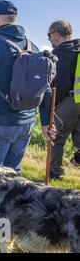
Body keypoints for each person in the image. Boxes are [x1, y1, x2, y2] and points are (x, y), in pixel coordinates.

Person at [0, 0, 56, 175]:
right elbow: (46, 87)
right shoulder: (33, 47)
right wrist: (45, 122)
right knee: (13, 174)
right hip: (27, 124)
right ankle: (12, 203)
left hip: (0, 123)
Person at [48, 20, 80, 179]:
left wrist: (51, 107)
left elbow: (59, 85)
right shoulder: (78, 48)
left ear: (56, 34)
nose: (50, 40)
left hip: (70, 100)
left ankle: (56, 173)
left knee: (56, 137)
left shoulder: (60, 53)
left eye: (49, 36)